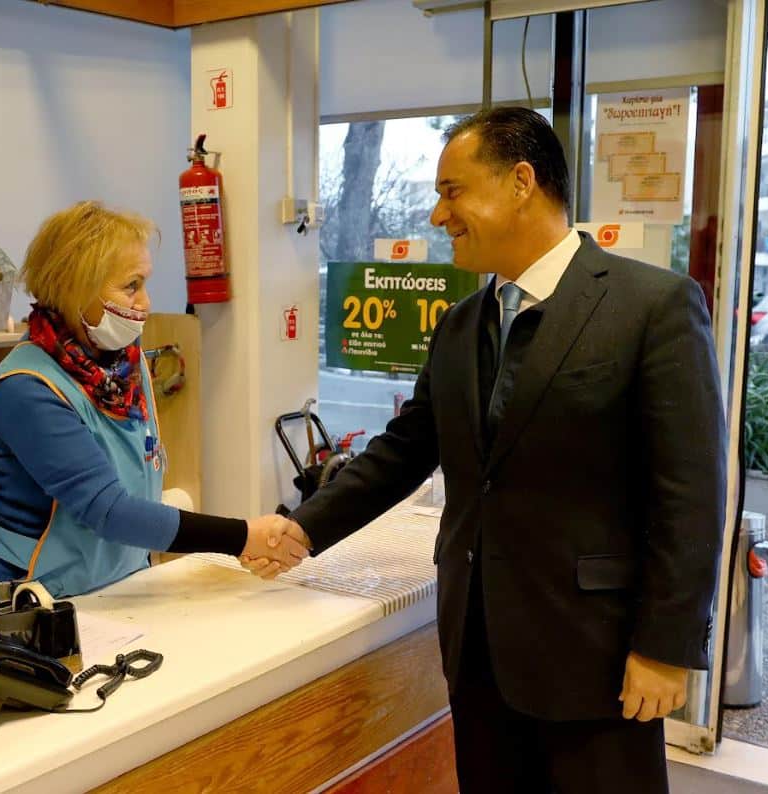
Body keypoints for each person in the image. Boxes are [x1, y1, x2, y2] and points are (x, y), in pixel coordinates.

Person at [280, 108, 726, 792]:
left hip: (596, 655)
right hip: (477, 650)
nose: (438, 215)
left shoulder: (651, 305)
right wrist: (300, 529)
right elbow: (405, 450)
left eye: (452, 191)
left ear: (521, 182)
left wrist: (666, 645)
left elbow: (690, 492)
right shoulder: (461, 324)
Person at [0, 201, 308, 613]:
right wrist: (242, 537)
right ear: (75, 288)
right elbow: (109, 511)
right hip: (23, 601)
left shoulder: (123, 367)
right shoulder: (26, 390)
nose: (146, 302)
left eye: (144, 284)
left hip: (112, 586)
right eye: (131, 286)